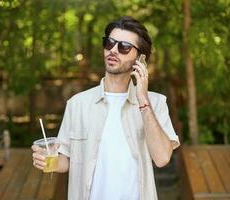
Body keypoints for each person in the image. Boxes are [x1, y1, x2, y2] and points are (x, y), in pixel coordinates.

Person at [32, 16, 180, 200]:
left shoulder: (155, 103)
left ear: (140, 59)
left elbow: (162, 158)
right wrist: (48, 160)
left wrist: (143, 99)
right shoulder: (77, 104)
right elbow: (66, 161)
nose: (113, 50)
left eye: (124, 47)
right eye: (109, 43)